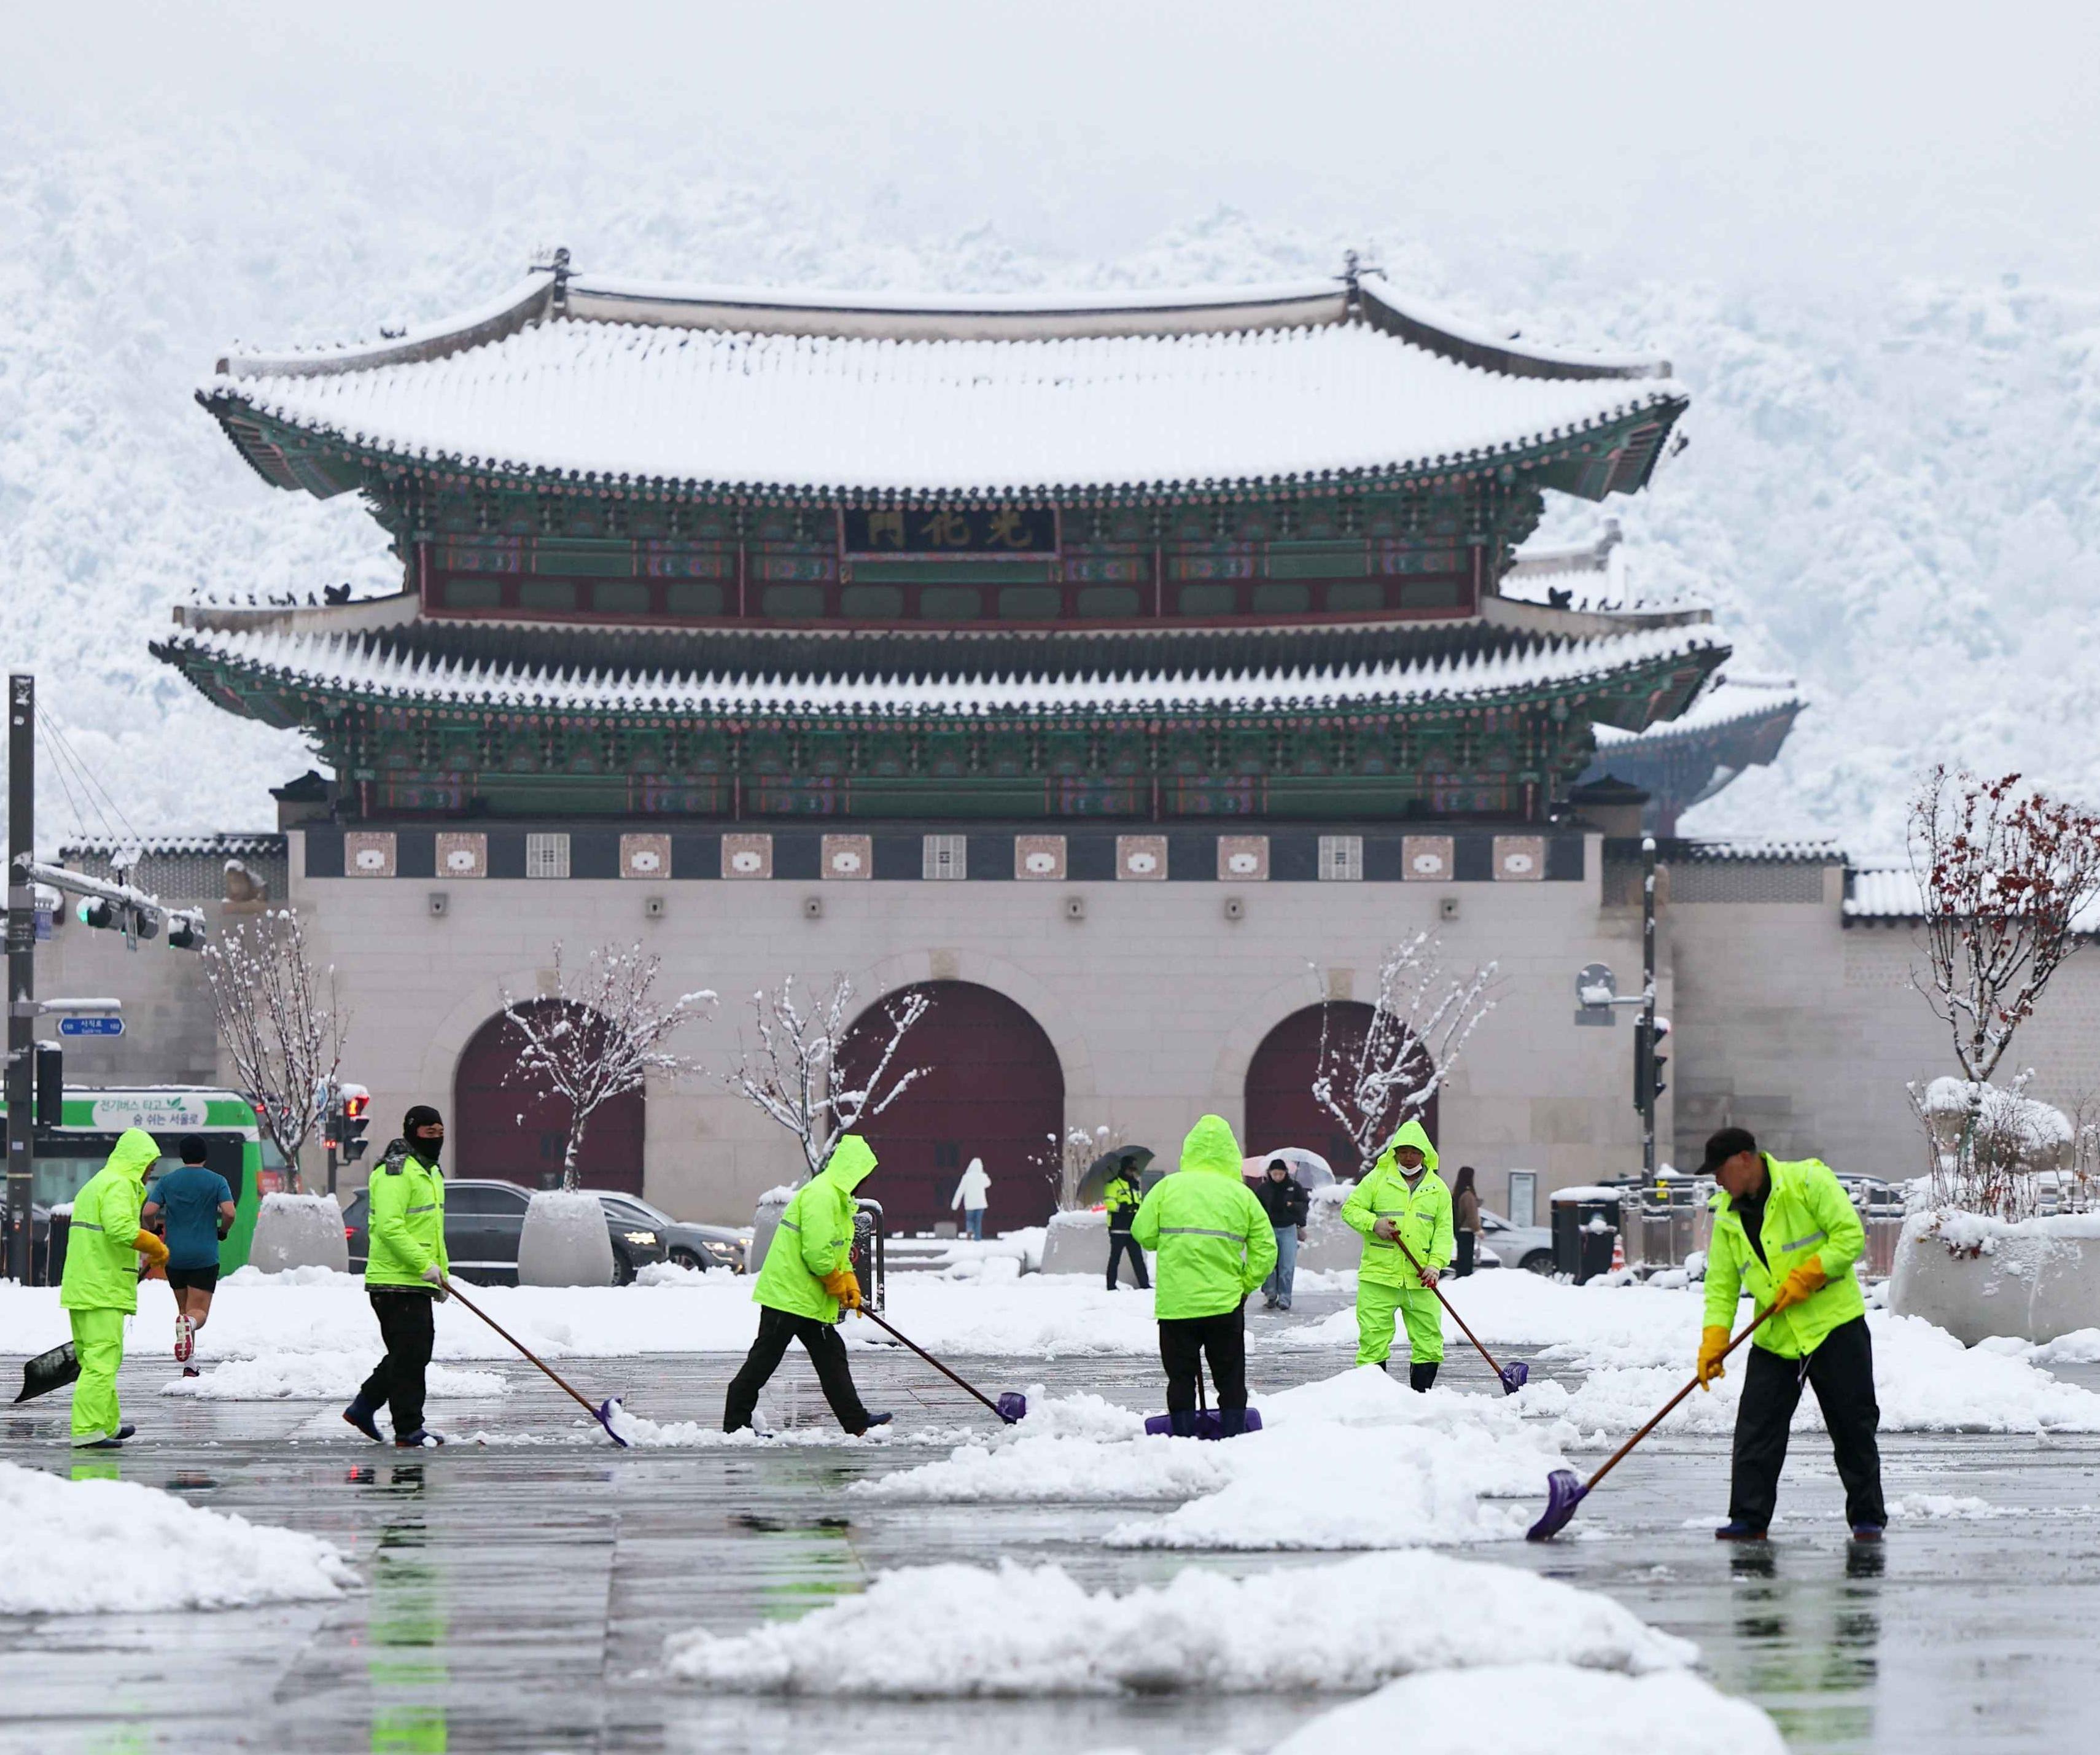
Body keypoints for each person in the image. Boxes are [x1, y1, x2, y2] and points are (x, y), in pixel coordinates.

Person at [1696, 1126, 1886, 1542]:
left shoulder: (1807, 1181)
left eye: (1720, 1170)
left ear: (1745, 1159)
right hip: (1776, 1336)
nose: (1716, 1180)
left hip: (1834, 1327)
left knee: (1852, 1427)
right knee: (1756, 1431)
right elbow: (1721, 1287)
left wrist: (1812, 1273)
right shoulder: (1727, 1216)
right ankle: (1748, 1518)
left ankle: (1868, 1519)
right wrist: (1714, 1341)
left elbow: (1849, 1236)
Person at [724, 1134, 893, 1437]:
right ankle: (735, 1424)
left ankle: (855, 1422)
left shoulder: (840, 1201)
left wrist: (850, 1285)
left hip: (808, 1298)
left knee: (832, 1356)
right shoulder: (822, 1196)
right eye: (863, 1175)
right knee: (764, 1360)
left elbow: (837, 1251)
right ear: (852, 1170)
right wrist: (838, 1283)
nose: (864, 1182)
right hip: (788, 1297)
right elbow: (816, 1254)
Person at [1129, 1115, 1275, 1436]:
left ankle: (1181, 1433)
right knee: (1230, 1375)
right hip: (1225, 1304)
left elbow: (1143, 1233)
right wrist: (1246, 1285)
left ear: (1190, 1150)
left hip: (1176, 1304)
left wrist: (1167, 1241)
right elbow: (1267, 1248)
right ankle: (1234, 1430)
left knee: (1180, 1376)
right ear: (1230, 1153)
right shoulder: (1241, 1194)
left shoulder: (1168, 1187)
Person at [343, 1106, 451, 1449]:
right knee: (409, 1354)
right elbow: (390, 1228)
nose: (436, 1139)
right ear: (411, 1132)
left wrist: (441, 1275)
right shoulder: (395, 1172)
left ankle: (367, 1408)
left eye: (439, 1132)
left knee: (414, 1353)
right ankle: (407, 1427)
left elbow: (433, 1231)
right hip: (392, 1280)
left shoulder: (430, 1172)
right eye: (428, 1133)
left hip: (416, 1280)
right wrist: (424, 1266)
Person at [59, 1129, 168, 1447]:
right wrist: (156, 1247)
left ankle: (107, 1424)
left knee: (98, 1359)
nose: (150, 1173)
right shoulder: (119, 1185)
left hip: (86, 1285)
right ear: (137, 1161)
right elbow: (120, 1228)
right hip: (101, 1287)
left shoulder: (98, 1183)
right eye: (149, 1166)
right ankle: (89, 1431)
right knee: (102, 1361)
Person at [1341, 1118, 1453, 1390]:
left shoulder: (1438, 1190)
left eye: (1414, 1151)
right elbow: (1350, 1210)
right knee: (1373, 1340)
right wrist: (1374, 1224)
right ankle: (1374, 1398)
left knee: (1429, 1341)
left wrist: (1436, 1265)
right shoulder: (1378, 1180)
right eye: (1403, 1150)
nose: (1408, 1156)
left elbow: (1443, 1232)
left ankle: (1420, 1397)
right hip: (1379, 1277)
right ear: (1395, 1152)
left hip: (1421, 1278)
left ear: (1424, 1154)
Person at [142, 1136, 236, 1377]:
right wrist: (222, 1231)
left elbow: (149, 1211)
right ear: (205, 1155)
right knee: (198, 1313)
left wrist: (153, 1230)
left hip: (175, 1257)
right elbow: (229, 1213)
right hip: (204, 1256)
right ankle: (191, 1329)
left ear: (182, 1156)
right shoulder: (217, 1181)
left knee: (184, 1310)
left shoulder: (167, 1181)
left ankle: (190, 1365)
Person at [1254, 1157, 1309, 1310]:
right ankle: (1270, 1294)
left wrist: (1293, 1206)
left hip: (1289, 1229)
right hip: (1268, 1229)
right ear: (1270, 1173)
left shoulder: (1294, 1187)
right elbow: (1256, 1208)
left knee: (1287, 1265)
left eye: (1280, 1174)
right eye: (1275, 1174)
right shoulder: (1263, 1189)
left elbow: (1305, 1204)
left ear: (1286, 1173)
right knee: (1269, 1263)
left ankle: (1285, 1297)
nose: (1278, 1177)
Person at [1102, 1156, 1150, 1291]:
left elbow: (1140, 1202)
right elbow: (1109, 1203)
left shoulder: (1135, 1184)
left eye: (1134, 1169)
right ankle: (1111, 1286)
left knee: (1138, 1259)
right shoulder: (1113, 1184)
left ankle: (1145, 1285)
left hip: (1133, 1227)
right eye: (1130, 1169)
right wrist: (1122, 1207)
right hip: (1118, 1228)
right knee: (1115, 1258)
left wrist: (1137, 1208)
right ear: (1124, 1168)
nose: (1132, 1172)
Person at [1450, 1165, 1482, 1278]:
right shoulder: (1468, 1195)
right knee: (1467, 1261)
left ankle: (1460, 1277)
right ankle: (1464, 1280)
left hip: (1459, 1230)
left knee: (1462, 1257)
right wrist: (1478, 1229)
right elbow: (1471, 1214)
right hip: (1467, 1231)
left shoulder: (1458, 1193)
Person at [951, 1156, 991, 1241]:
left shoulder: (966, 1177)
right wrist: (984, 1174)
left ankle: (969, 1230)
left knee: (970, 1220)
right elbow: (988, 1184)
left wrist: (955, 1205)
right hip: (980, 1204)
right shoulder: (982, 1176)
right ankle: (977, 1238)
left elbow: (960, 1191)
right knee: (978, 1222)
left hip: (969, 1204)